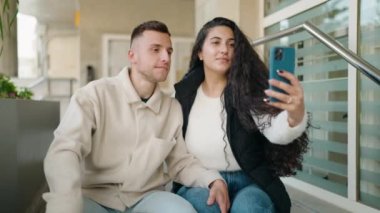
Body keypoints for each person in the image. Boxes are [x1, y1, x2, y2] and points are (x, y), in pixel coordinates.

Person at [43, 20, 229, 213]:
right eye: (155, 50)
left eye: (169, 51)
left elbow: (180, 163)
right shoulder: (93, 95)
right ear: (132, 56)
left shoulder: (172, 108)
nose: (166, 57)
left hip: (147, 198)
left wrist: (212, 179)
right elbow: (65, 151)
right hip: (94, 197)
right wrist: (65, 201)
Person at [173, 17, 309, 213]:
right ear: (200, 52)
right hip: (202, 181)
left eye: (231, 44)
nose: (224, 50)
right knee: (208, 206)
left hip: (250, 180)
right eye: (216, 42)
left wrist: (294, 115)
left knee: (250, 207)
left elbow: (275, 131)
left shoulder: (249, 92)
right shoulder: (181, 95)